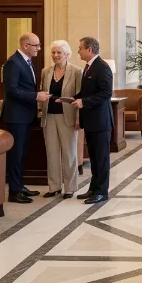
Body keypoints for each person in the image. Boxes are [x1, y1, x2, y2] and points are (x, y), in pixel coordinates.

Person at [1, 33, 50, 204]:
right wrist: (36, 96)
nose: (39, 48)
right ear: (25, 45)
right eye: (36, 45)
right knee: (16, 154)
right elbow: (11, 91)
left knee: (22, 154)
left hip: (27, 116)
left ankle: (20, 186)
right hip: (16, 117)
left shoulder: (28, 62)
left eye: (39, 45)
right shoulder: (13, 63)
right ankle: (14, 191)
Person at [73, 36, 114, 205]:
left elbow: (106, 93)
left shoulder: (102, 67)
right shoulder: (89, 67)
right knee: (95, 158)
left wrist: (84, 102)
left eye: (80, 48)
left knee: (101, 158)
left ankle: (101, 192)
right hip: (90, 121)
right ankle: (93, 188)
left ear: (89, 49)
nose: (78, 51)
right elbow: (86, 92)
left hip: (100, 122)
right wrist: (71, 98)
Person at [40, 40, 83, 199]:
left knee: (69, 153)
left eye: (59, 52)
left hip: (68, 117)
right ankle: (54, 186)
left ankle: (70, 187)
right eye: (53, 52)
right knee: (51, 153)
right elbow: (41, 91)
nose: (56, 55)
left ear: (67, 54)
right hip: (49, 116)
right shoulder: (46, 71)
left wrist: (79, 118)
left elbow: (80, 97)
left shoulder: (77, 71)